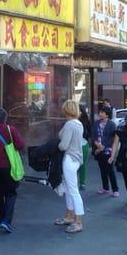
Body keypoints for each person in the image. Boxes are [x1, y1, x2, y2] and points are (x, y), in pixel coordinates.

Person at [54, 100, 85, 233]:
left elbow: (63, 145)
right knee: (70, 188)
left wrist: (59, 142)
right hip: (77, 158)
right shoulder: (78, 124)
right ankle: (70, 217)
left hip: (69, 158)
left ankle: (77, 221)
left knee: (72, 190)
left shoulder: (69, 124)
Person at [92, 106, 119, 196]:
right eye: (100, 112)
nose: (100, 114)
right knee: (102, 169)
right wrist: (97, 145)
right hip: (98, 150)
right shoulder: (96, 123)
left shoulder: (112, 124)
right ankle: (105, 188)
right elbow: (93, 136)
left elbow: (113, 138)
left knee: (110, 170)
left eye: (102, 112)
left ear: (107, 114)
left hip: (108, 150)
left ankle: (115, 189)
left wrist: (104, 146)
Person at [78, 105, 91, 190]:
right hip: (81, 145)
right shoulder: (72, 121)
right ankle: (78, 183)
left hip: (83, 145)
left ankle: (82, 183)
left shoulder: (85, 121)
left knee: (82, 165)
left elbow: (89, 134)